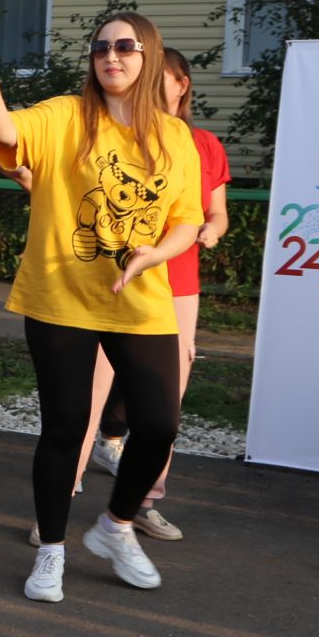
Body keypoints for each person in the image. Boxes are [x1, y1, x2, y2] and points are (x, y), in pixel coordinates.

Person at [0, 13, 203, 603]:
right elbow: (8, 132)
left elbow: (188, 221)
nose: (111, 56)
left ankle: (116, 526)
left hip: (139, 300)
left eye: (125, 46)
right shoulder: (68, 115)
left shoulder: (175, 137)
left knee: (160, 425)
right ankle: (51, 552)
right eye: (100, 47)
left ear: (149, 55)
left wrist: (154, 256)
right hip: (61, 297)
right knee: (65, 428)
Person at [82, 47, 230, 541]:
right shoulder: (103, 132)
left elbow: (216, 213)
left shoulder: (202, 143)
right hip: (107, 281)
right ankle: (59, 500)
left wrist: (209, 229)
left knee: (166, 405)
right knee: (89, 391)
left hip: (176, 286)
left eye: (159, 78)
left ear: (181, 85)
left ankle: (141, 503)